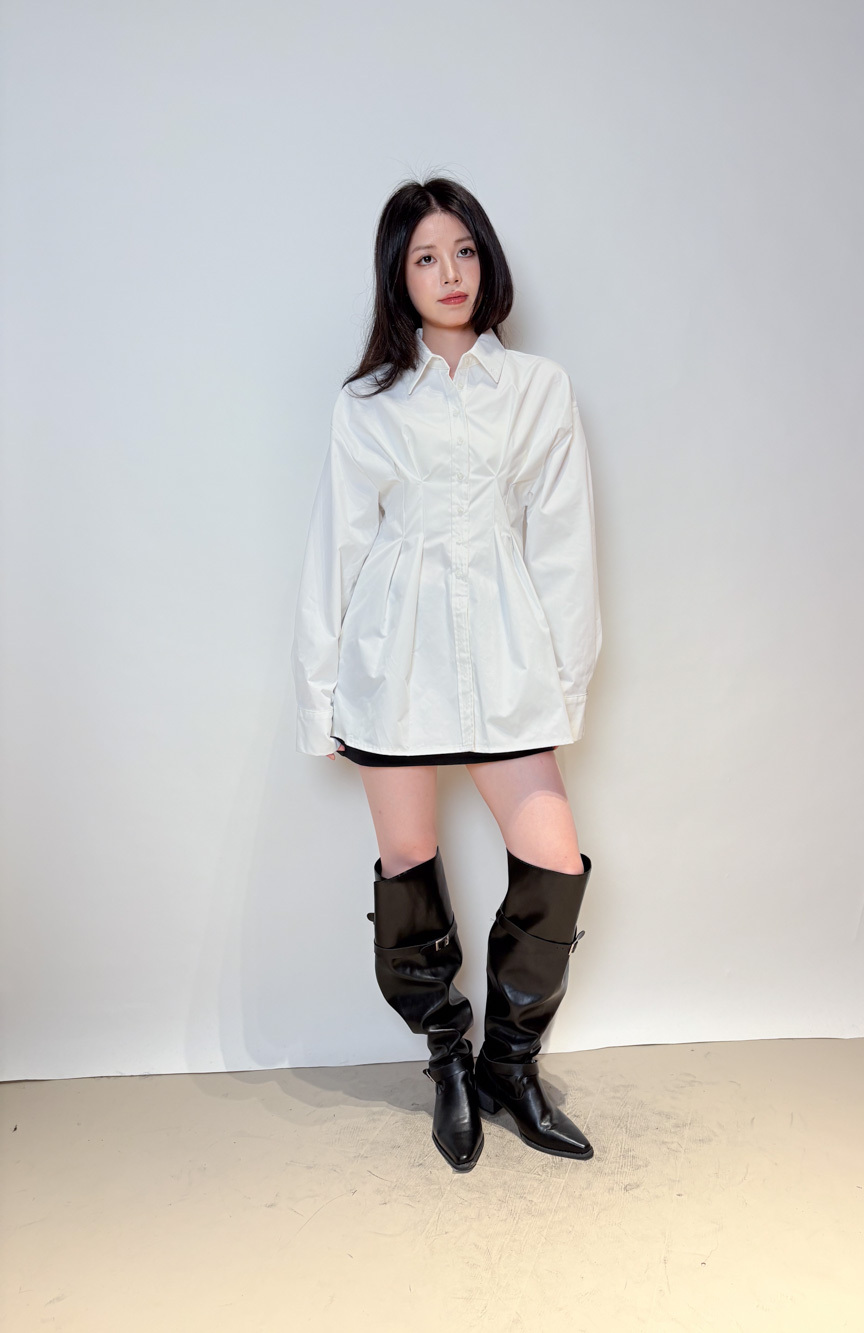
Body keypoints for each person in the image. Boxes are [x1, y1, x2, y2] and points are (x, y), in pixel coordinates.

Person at [290, 177, 602, 1173]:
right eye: (425, 257)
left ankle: (512, 1064)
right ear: (399, 276)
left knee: (553, 858)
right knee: (408, 867)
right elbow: (337, 549)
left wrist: (565, 678)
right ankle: (448, 1063)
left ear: (486, 259)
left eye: (463, 250)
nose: (449, 272)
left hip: (506, 656)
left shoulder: (539, 389)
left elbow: (563, 544)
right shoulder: (367, 403)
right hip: (394, 659)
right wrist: (319, 695)